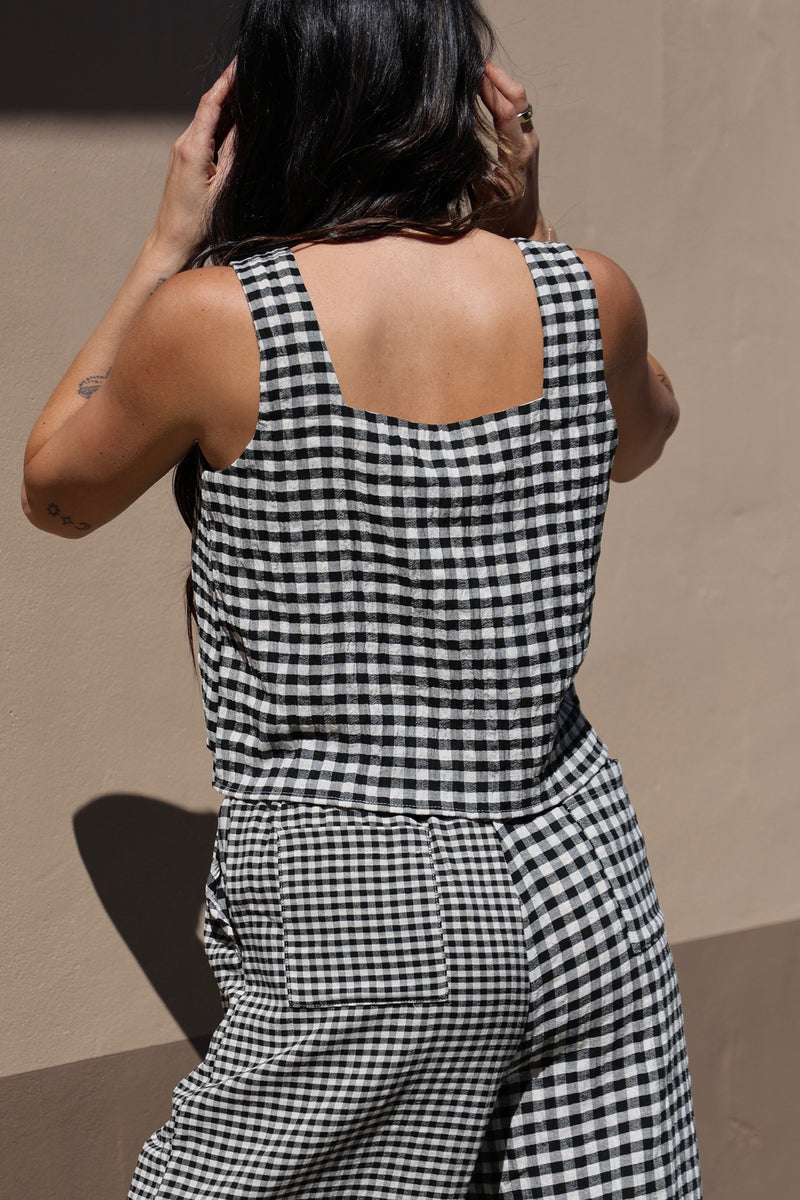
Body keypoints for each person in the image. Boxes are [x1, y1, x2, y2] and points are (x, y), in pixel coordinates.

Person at [22, 1, 702, 1197]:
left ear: (276, 106)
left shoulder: (221, 317)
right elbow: (638, 437)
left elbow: (55, 491)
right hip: (580, 877)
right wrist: (530, 223)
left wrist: (166, 240)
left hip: (366, 908)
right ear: (461, 99)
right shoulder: (582, 293)